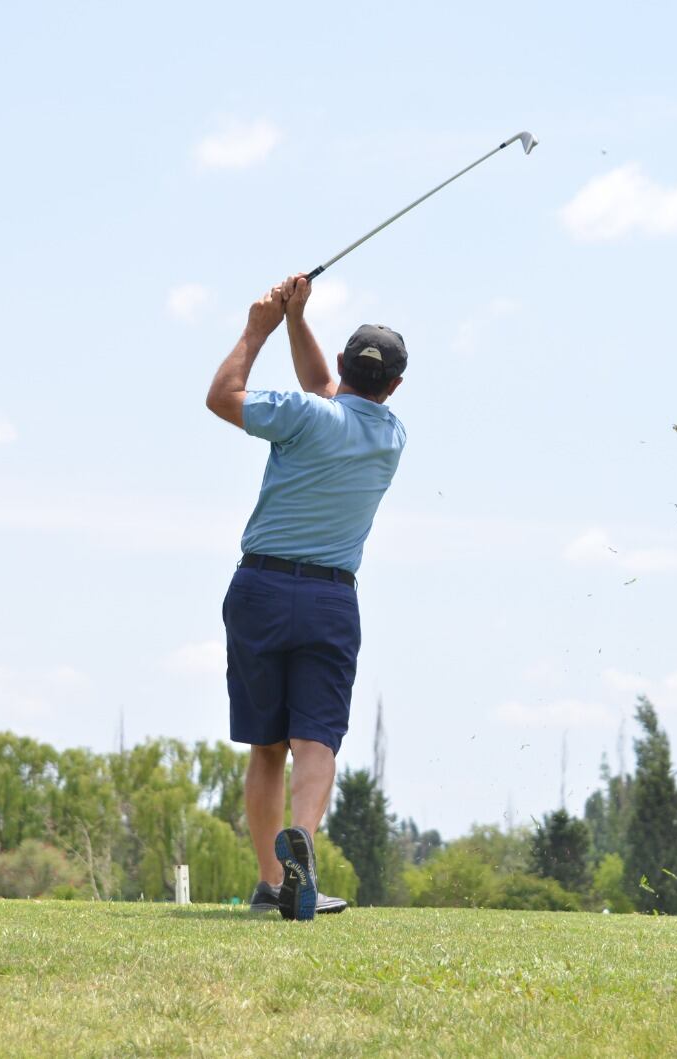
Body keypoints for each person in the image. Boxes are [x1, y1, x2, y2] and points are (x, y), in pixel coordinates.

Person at [204, 273, 407, 920]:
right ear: (394, 387)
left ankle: (272, 879)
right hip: (330, 599)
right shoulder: (390, 437)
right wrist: (298, 320)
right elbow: (329, 394)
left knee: (267, 745)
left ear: (345, 364)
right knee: (315, 740)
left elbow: (222, 397)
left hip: (261, 587)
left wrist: (259, 327)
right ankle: (304, 849)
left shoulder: (304, 415)